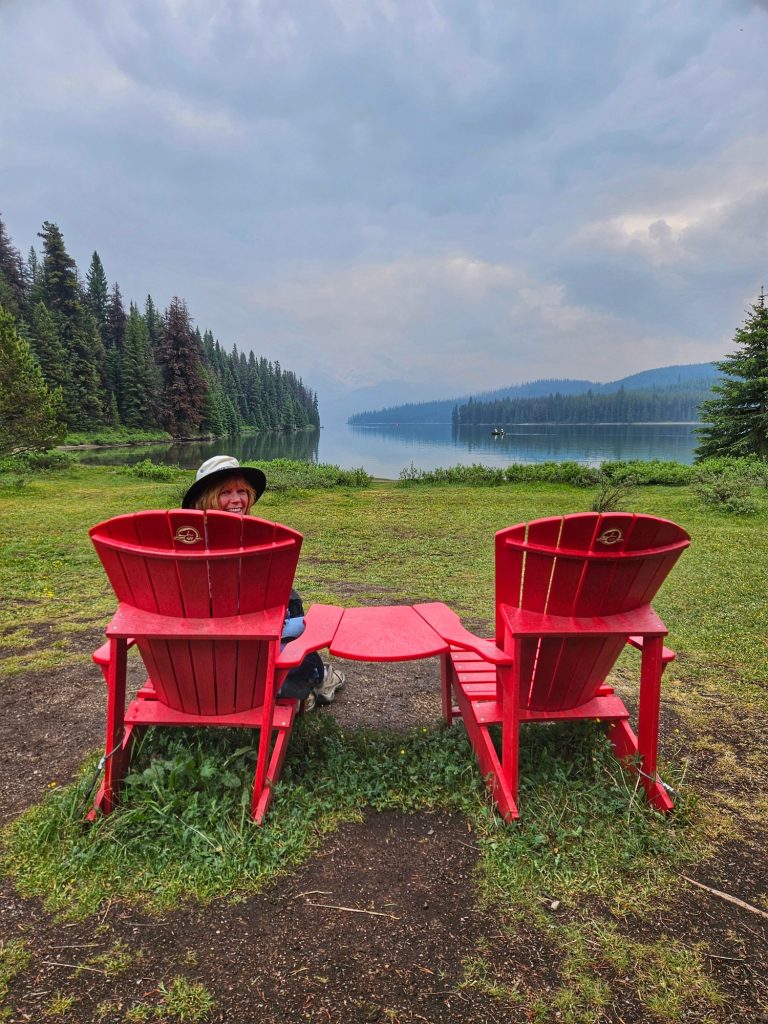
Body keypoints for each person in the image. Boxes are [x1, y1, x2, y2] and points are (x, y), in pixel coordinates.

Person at [181, 455, 345, 711]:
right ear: (206, 499)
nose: (237, 500)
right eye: (225, 492)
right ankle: (317, 680)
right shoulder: (255, 542)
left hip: (195, 664)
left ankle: (312, 679)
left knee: (290, 602)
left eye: (242, 491)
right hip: (242, 656)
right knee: (294, 615)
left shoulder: (177, 545)